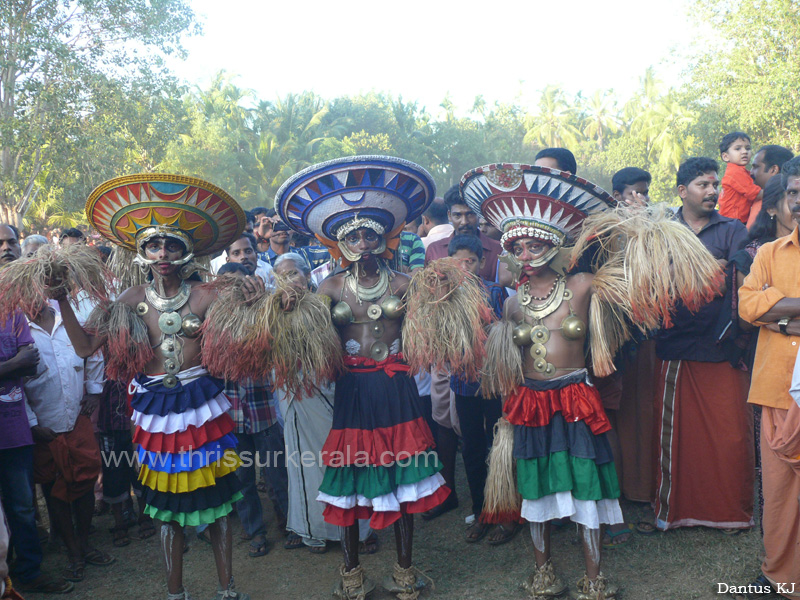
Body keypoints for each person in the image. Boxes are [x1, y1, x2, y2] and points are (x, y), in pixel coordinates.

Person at [461, 162, 720, 600]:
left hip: (575, 397)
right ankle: (543, 573)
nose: (526, 254)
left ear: (555, 245)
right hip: (529, 402)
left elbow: (638, 272)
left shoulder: (582, 285)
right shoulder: (511, 307)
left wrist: (639, 223)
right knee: (535, 486)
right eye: (517, 246)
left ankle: (593, 577)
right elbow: (504, 364)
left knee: (585, 485)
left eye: (535, 243)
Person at [48, 175, 255, 600]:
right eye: (154, 245)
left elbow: (251, 341)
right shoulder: (129, 299)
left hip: (204, 409)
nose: (163, 254)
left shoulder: (208, 295)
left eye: (172, 245)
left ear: (186, 252)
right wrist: (61, 300)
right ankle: (175, 594)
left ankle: (227, 589)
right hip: (154, 413)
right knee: (166, 511)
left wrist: (257, 297)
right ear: (141, 252)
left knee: (217, 506)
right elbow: (86, 346)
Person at [276, 156, 448, 600]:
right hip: (352, 392)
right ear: (338, 242)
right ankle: (351, 576)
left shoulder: (408, 282)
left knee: (404, 478)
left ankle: (404, 573)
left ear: (385, 237)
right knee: (351, 480)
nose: (363, 241)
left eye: (370, 232)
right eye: (352, 235)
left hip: (396, 389)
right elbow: (314, 344)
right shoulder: (329, 288)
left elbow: (430, 333)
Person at [649, 157, 752, 533]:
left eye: (715, 186)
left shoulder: (734, 229)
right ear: (682, 191)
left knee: (730, 435)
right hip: (675, 345)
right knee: (675, 433)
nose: (712, 192)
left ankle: (730, 513)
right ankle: (673, 511)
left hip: (722, 345)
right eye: (703, 186)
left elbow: (741, 279)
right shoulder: (660, 231)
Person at [270, 253, 375, 555]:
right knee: (304, 462)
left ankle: (362, 529)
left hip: (333, 391)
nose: (288, 282)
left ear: (307, 276)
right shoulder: (271, 311)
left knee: (348, 458)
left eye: (293, 274)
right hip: (297, 396)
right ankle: (313, 529)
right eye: (281, 276)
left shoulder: (328, 303)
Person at [738, 155, 800, 599]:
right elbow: (746, 306)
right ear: (777, 207)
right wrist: (781, 316)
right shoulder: (768, 254)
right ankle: (781, 574)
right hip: (778, 387)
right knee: (778, 493)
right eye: (794, 193)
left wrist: (775, 306)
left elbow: (761, 306)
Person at [0, 224, 73, 595]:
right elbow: (20, 362)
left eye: (11, 241)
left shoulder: (11, 309)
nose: (6, 248)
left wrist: (15, 364)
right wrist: (10, 365)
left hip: (13, 431)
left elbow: (31, 362)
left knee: (23, 508)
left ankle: (28, 573)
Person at [24, 300, 110, 584]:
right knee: (52, 487)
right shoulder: (17, 329)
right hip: (43, 426)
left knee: (84, 482)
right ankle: (72, 551)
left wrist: (95, 392)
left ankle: (84, 544)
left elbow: (94, 355)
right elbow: (15, 384)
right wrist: (33, 423)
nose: (32, 297)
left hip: (76, 418)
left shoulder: (69, 321)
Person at [215, 261, 287, 558]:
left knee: (277, 474)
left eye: (238, 284)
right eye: (226, 286)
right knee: (243, 479)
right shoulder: (212, 322)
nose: (233, 291)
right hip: (231, 418)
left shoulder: (265, 313)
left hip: (265, 411)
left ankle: (289, 523)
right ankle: (254, 530)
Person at [445, 235, 513, 545]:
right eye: (458, 261)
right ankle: (481, 511)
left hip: (496, 382)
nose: (464, 267)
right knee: (472, 448)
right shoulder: (442, 298)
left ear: (482, 262)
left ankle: (507, 515)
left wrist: (491, 329)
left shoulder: (496, 292)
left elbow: (508, 332)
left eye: (469, 261)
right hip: (463, 383)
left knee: (501, 445)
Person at [718, 132, 762, 224]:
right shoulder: (735, 172)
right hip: (732, 222)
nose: (744, 152)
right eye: (738, 149)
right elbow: (756, 194)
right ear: (725, 156)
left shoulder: (742, 172)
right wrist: (778, 190)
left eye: (748, 148)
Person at [747, 145, 794, 229]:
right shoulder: (759, 198)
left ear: (773, 170)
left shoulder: (780, 201)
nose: (750, 172)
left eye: (755, 167)